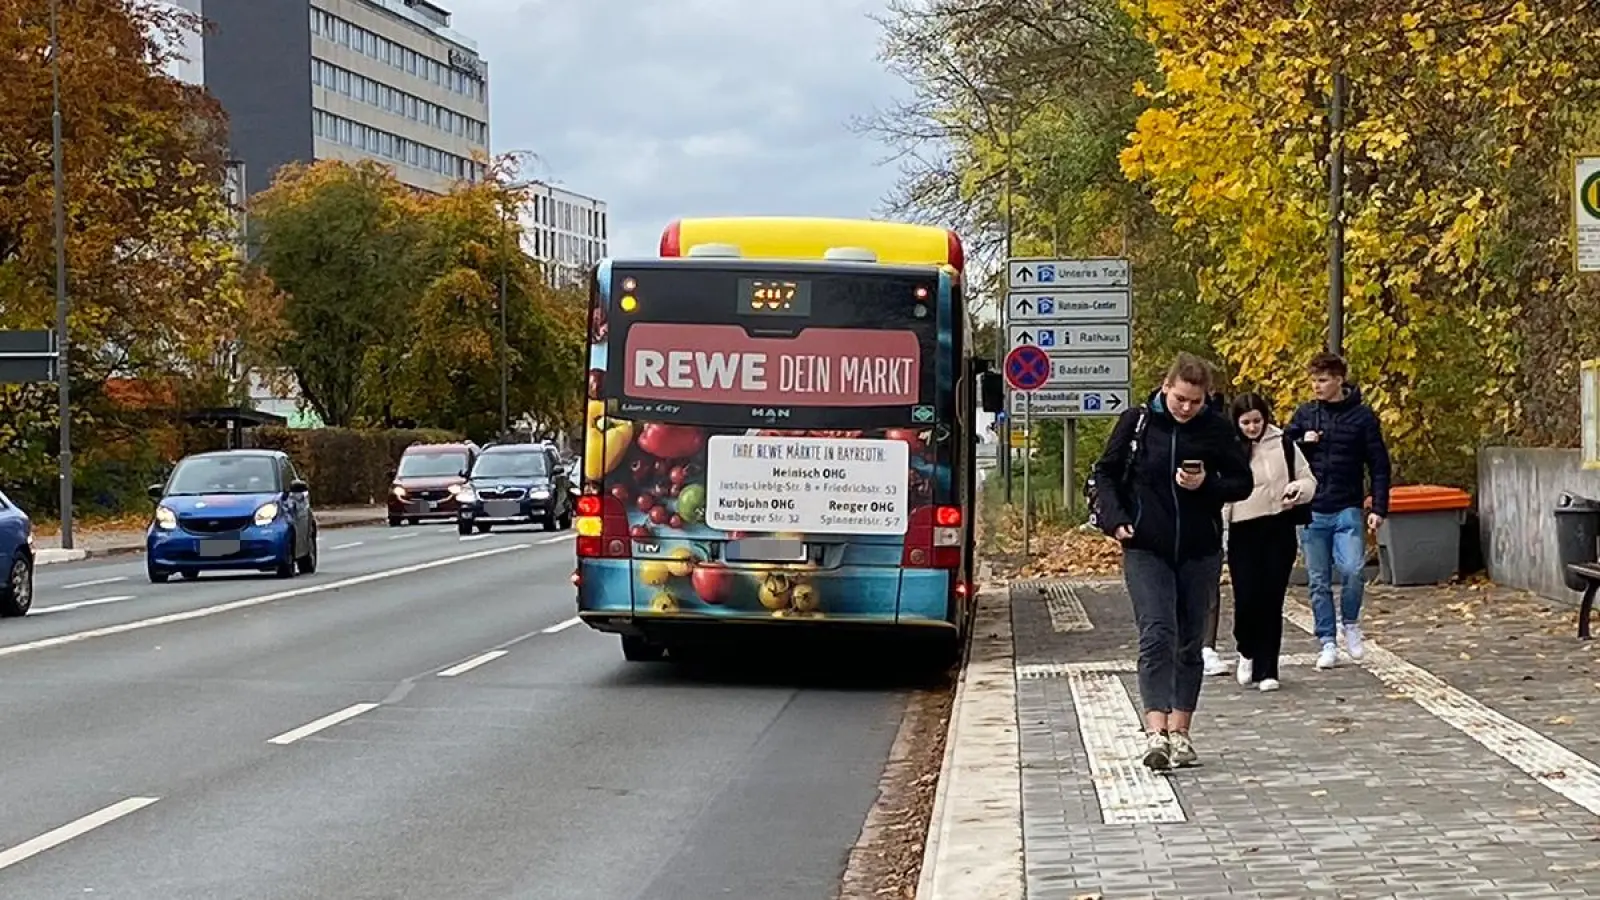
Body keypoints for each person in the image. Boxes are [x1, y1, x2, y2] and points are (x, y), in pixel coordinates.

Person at [1090, 353, 1253, 771]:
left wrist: (1206, 485)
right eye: (1180, 399)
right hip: (1147, 545)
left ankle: (1181, 732)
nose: (1186, 408)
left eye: (1195, 401)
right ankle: (1155, 732)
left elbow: (1242, 482)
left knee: (1189, 639)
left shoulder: (1215, 428)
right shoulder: (1138, 423)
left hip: (1199, 550)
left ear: (1206, 398)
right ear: (1166, 388)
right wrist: (1117, 521)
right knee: (1157, 633)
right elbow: (1105, 473)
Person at [1285, 352, 1392, 669]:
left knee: (1353, 570)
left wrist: (1379, 503)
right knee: (1318, 580)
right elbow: (1283, 448)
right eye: (1313, 380)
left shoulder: (1362, 418)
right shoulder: (1306, 414)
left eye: (1322, 380)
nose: (1316, 386)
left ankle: (1351, 622)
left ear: (1339, 380)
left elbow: (1378, 463)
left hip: (1347, 504)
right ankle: (1327, 640)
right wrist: (1303, 441)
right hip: (1312, 507)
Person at [1223, 393, 1316, 692]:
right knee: (1248, 597)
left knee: (1271, 599)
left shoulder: (1284, 443)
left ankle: (1268, 668)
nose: (1252, 428)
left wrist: (1297, 490)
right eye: (1246, 422)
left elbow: (1308, 478)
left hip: (1278, 525)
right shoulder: (1226, 447)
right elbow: (1219, 490)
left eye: (1257, 421)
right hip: (1242, 529)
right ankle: (1246, 648)